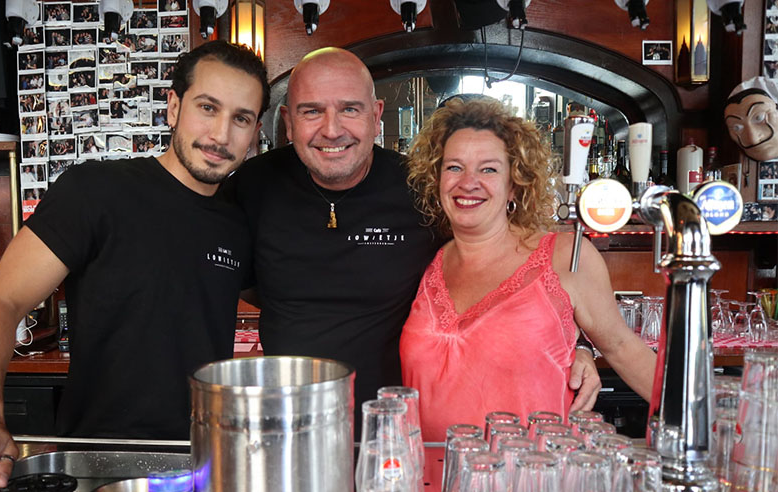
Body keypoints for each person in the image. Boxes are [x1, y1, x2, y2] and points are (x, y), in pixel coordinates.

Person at [0, 40, 270, 492]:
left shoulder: (238, 223)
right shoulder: (96, 191)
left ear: (256, 131)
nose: (221, 134)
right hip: (96, 469)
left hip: (203, 468)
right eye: (208, 107)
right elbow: (1, 299)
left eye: (241, 118)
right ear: (173, 107)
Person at [225, 48, 601, 431]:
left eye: (350, 110)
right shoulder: (253, 187)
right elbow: (238, 284)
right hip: (286, 425)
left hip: (393, 434)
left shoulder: (421, 188)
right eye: (311, 111)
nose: (332, 129)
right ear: (288, 122)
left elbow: (511, 258)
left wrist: (578, 343)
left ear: (376, 115)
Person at [399, 96, 657, 484]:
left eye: (488, 169)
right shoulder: (428, 260)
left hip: (532, 479)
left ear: (515, 184)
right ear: (437, 180)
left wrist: (718, 422)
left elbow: (622, 347)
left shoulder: (565, 256)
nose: (468, 182)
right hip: (429, 479)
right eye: (454, 167)